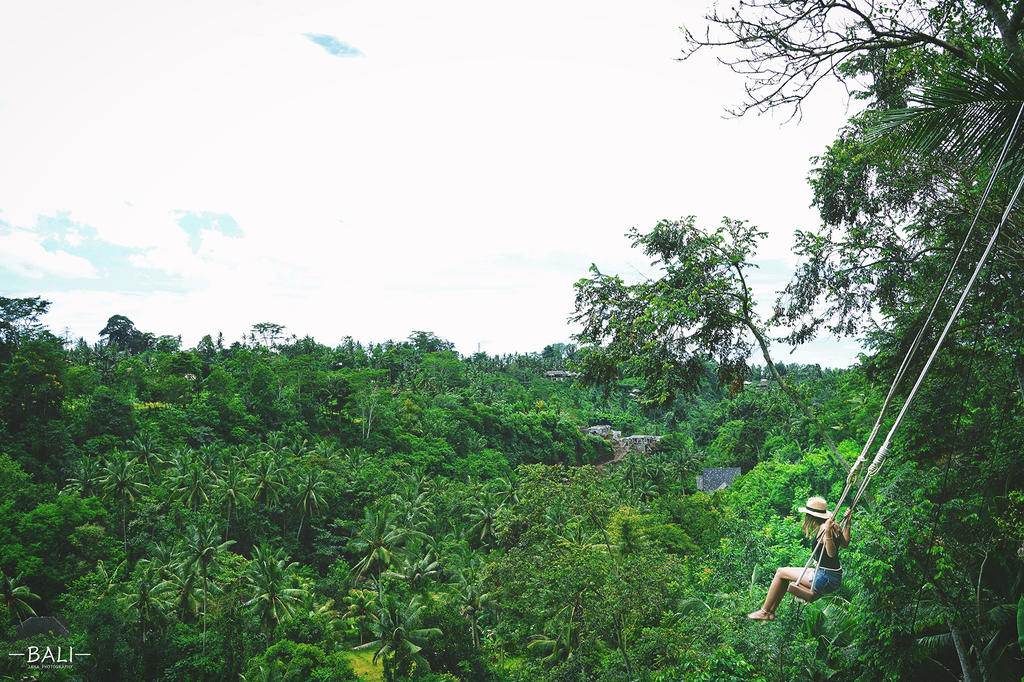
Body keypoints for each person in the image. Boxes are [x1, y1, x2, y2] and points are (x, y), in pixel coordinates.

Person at [747, 496, 852, 621]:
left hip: (825, 578)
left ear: (810, 516)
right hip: (833, 576)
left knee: (780, 572)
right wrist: (848, 523)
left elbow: (831, 553)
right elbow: (845, 544)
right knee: (785, 575)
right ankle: (770, 613)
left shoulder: (825, 528)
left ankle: (765, 611)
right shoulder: (831, 525)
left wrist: (828, 532)